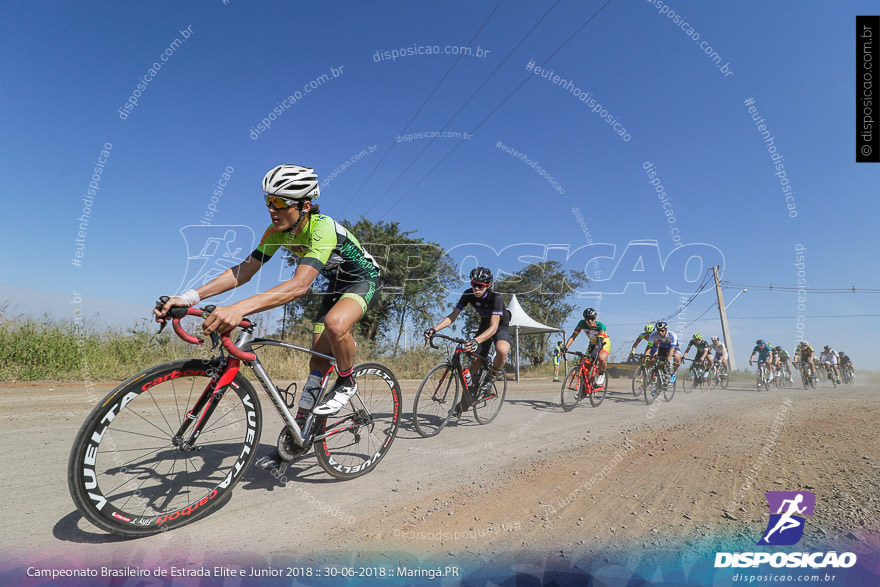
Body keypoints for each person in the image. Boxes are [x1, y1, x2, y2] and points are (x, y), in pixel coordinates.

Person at [155, 164, 381, 425]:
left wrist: (238, 308)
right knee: (317, 361)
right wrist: (188, 297)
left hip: (363, 280)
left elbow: (298, 286)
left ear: (304, 206)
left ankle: (346, 380)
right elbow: (244, 271)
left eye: (279, 202)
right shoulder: (276, 234)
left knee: (335, 324)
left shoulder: (322, 228)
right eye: (268, 201)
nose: (272, 209)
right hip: (334, 286)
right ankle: (300, 433)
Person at [425, 267, 510, 412]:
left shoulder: (496, 297)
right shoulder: (468, 294)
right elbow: (453, 316)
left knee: (502, 350)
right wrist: (435, 329)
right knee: (474, 362)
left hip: (499, 325)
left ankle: (492, 375)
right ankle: (468, 398)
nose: (476, 289)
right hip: (484, 325)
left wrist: (476, 340)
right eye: (474, 284)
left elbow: (494, 328)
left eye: (481, 286)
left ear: (489, 284)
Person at [563, 308, 611, 387]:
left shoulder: (601, 326)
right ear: (584, 319)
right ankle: (584, 388)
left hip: (603, 343)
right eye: (587, 319)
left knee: (601, 358)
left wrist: (593, 354)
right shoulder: (581, 323)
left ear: (596, 318)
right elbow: (573, 336)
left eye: (592, 319)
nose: (590, 321)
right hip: (592, 343)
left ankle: (602, 374)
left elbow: (599, 343)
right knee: (585, 365)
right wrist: (566, 347)